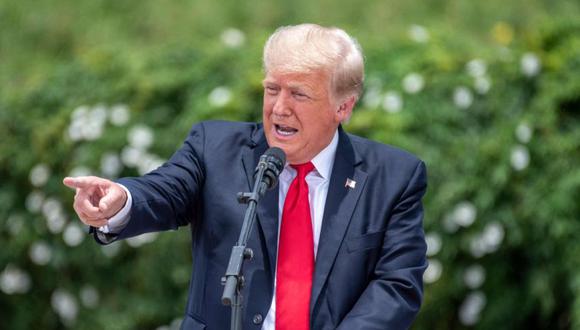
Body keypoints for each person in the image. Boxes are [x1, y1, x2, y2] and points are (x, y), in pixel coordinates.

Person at [63, 24, 428, 330]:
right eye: (272, 89)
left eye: (298, 94)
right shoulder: (216, 147)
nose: (279, 108)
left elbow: (396, 286)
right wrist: (121, 200)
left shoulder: (393, 177)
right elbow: (165, 190)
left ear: (343, 106)